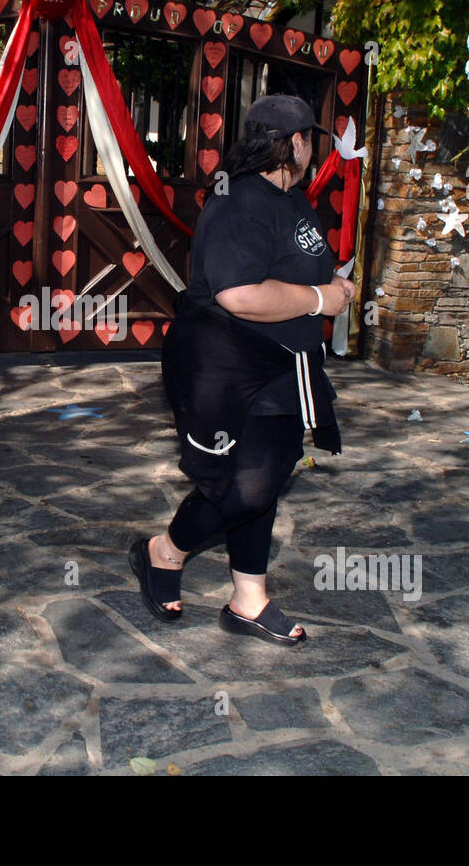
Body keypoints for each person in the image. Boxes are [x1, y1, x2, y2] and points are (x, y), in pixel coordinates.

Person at [129, 94, 356, 646]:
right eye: (310, 140)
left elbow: (291, 268)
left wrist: (330, 291)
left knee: (268, 476)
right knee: (248, 487)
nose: (312, 150)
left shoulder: (293, 199)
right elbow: (239, 295)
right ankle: (164, 551)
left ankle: (248, 597)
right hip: (231, 366)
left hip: (282, 366)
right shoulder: (241, 202)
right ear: (294, 143)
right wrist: (322, 299)